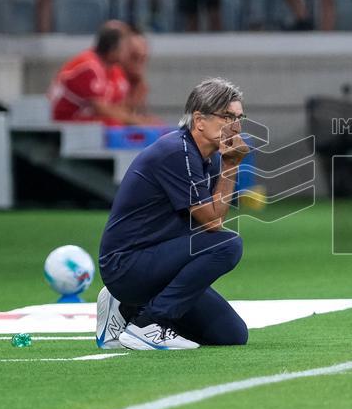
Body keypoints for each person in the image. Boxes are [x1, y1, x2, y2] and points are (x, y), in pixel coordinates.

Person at [96, 78, 251, 350]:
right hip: (127, 264)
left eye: (239, 117)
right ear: (199, 120)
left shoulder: (208, 157)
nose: (235, 126)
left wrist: (227, 164)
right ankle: (148, 324)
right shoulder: (176, 153)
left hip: (158, 262)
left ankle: (125, 308)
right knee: (228, 244)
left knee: (232, 335)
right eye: (227, 117)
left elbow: (209, 223)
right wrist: (230, 165)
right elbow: (214, 222)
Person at [48, 22, 156, 124]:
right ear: (113, 49)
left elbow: (121, 108)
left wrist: (137, 89)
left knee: (154, 125)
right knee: (113, 124)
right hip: (63, 121)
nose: (127, 53)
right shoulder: (88, 66)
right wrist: (136, 121)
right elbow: (101, 109)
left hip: (86, 121)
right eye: (127, 48)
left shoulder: (115, 70)